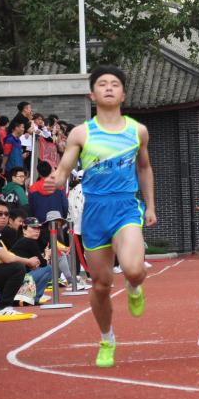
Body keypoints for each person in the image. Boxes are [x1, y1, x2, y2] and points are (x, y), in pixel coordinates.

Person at [47, 65, 157, 368]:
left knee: (133, 269)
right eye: (102, 84)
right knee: (100, 284)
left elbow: (144, 167)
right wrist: (57, 179)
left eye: (115, 84)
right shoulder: (82, 133)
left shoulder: (137, 131)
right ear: (92, 95)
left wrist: (150, 206)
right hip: (94, 210)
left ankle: (134, 285)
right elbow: (65, 167)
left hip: (125, 207)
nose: (109, 88)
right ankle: (107, 339)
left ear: (123, 94)